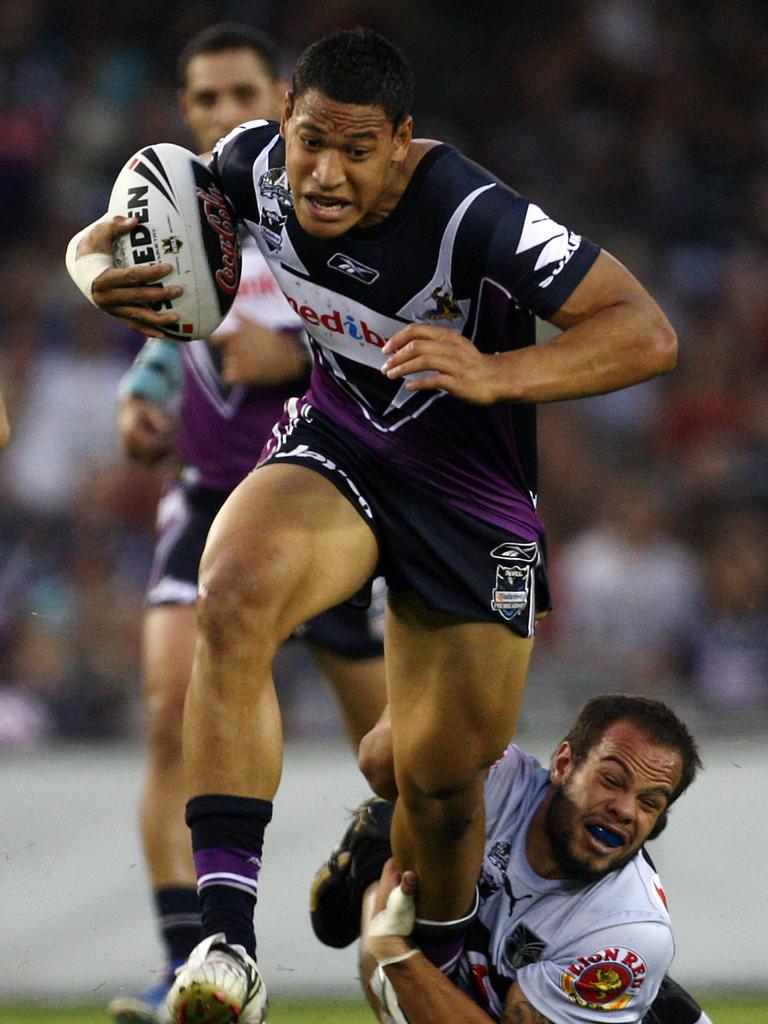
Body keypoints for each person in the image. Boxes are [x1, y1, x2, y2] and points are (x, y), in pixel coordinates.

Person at [66, 27, 678, 1024]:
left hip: (472, 499)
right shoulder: (255, 168)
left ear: (402, 142)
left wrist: (495, 371)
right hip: (344, 446)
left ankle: (410, 894)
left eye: (357, 150)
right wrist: (92, 270)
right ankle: (226, 944)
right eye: (312, 142)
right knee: (231, 596)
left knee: (437, 783)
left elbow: (645, 329)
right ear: (288, 127)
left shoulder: (473, 213)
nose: (326, 172)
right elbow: (112, 236)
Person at [105, 24, 387, 1024]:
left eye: (238, 95)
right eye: (202, 99)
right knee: (168, 712)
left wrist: (297, 362)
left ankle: (401, 854)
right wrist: (141, 396)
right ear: (185, 112)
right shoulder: (178, 211)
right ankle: (193, 959)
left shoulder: (313, 205)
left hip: (336, 498)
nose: (220, 114)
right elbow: (166, 328)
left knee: (398, 750)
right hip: (213, 497)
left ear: (280, 103)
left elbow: (383, 325)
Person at [313, 695, 711, 1024]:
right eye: (611, 781)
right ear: (562, 764)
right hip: (505, 978)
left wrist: (395, 953)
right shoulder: (493, 781)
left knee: (395, 965)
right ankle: (376, 853)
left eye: (649, 804)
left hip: (591, 995)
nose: (625, 810)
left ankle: (368, 861)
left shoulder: (631, 933)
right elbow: (380, 759)